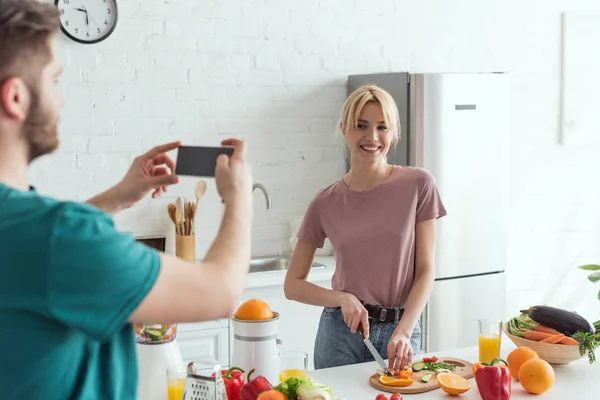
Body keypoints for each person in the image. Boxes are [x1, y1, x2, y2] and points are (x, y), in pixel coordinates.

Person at [0, 0, 253, 398]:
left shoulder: (33, 231)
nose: (61, 99)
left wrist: (117, 197)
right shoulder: (62, 236)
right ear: (15, 98)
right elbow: (220, 292)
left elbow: (35, 254)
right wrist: (239, 195)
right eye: (54, 80)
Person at [284, 84, 447, 374]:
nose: (372, 137)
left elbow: (425, 271)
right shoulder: (326, 201)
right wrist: (342, 298)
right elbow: (293, 284)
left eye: (382, 127)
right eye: (361, 126)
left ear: (393, 132)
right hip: (339, 332)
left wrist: (405, 330)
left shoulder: (419, 185)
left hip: (401, 331)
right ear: (344, 129)